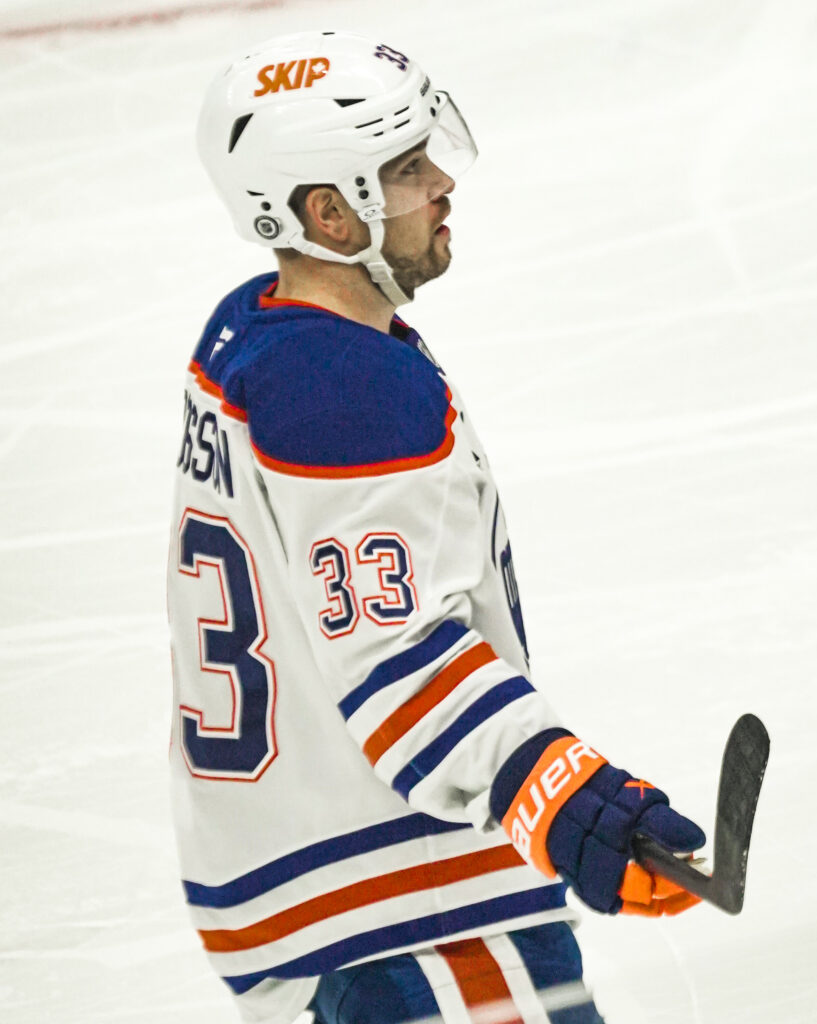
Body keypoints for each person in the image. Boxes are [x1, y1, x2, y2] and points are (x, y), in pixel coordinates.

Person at [167, 31, 706, 1024]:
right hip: (407, 908)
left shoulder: (250, 331)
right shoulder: (346, 388)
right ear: (328, 213)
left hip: (304, 878)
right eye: (406, 169)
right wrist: (562, 794)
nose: (442, 182)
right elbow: (397, 656)